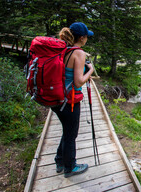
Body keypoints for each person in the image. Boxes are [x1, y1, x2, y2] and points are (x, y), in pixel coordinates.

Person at [51, 22, 94, 178]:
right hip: (69, 101)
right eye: (87, 36)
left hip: (56, 98)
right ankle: (70, 167)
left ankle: (60, 160)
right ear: (82, 38)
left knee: (67, 131)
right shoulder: (79, 53)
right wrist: (90, 71)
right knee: (71, 134)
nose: (87, 39)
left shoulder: (63, 49)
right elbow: (78, 81)